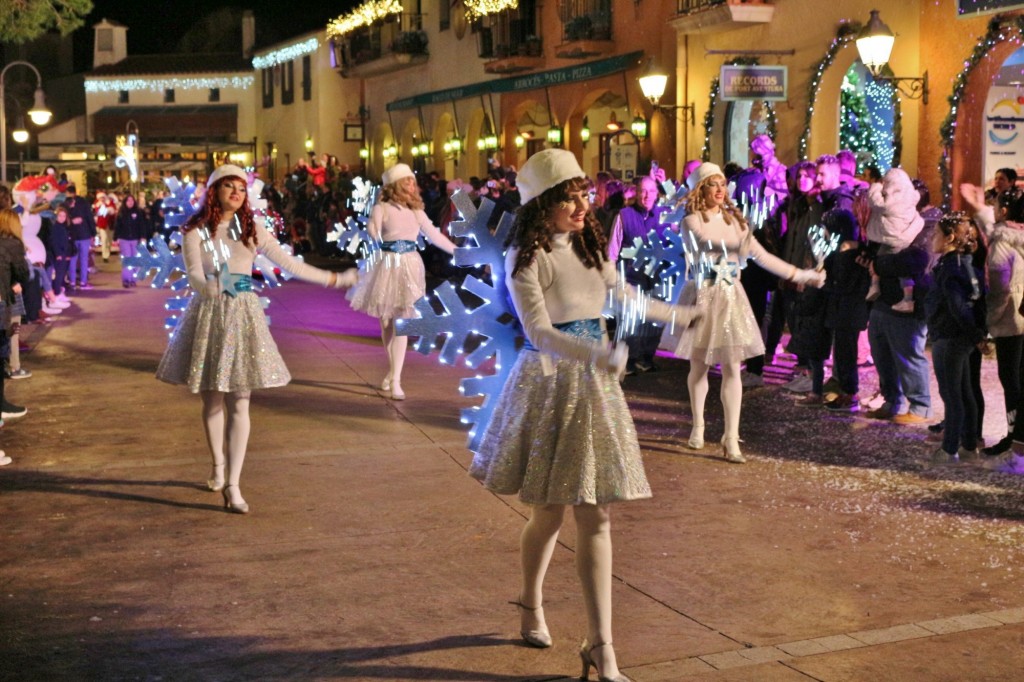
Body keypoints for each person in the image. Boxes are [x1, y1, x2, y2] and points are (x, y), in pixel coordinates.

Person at [469, 149, 698, 682]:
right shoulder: (528, 259)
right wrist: (598, 355)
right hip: (552, 386)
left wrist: (680, 312)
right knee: (548, 511)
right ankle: (529, 603)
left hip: (596, 388)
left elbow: (623, 298)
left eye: (581, 193)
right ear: (542, 204)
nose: (579, 203)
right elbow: (539, 332)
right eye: (567, 196)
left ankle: (602, 646)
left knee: (596, 512)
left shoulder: (594, 250)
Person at [155, 165, 357, 514]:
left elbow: (290, 263)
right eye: (229, 186)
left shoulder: (252, 229)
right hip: (211, 315)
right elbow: (193, 275)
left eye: (241, 188)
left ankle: (233, 484)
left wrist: (332, 279)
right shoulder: (196, 231)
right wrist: (212, 287)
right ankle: (217, 465)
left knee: (241, 399)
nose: (236, 192)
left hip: (244, 314)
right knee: (213, 398)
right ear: (215, 190)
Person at [677, 163, 825, 463]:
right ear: (700, 190)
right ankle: (698, 425)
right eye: (712, 184)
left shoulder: (737, 223)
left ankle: (731, 437)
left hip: (731, 297)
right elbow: (708, 243)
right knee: (700, 367)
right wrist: (742, 239)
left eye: (722, 184)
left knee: (733, 367)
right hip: (704, 296)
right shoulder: (691, 221)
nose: (720, 190)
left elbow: (765, 257)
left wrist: (803, 275)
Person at [349, 163, 456, 401]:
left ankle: (396, 379)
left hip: (409, 265)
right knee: (387, 322)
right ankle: (391, 371)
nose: (411, 184)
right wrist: (373, 230)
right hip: (386, 265)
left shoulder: (417, 211)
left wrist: (458, 252)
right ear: (396, 185)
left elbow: (435, 235)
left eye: (412, 181)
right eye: (406, 180)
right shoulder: (382, 208)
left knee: (402, 322)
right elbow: (373, 230)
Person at [923, 212, 987, 465]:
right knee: (964, 391)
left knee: (952, 395)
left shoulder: (951, 268)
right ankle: (969, 444)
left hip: (949, 336)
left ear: (950, 238)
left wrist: (975, 334)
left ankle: (950, 449)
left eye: (937, 233)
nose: (932, 238)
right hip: (959, 337)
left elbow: (958, 305)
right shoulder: (966, 262)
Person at [607, 174, 666, 374]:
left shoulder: (663, 215)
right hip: (631, 276)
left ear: (657, 193)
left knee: (655, 320)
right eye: (643, 191)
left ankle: (647, 357)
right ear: (636, 193)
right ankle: (629, 358)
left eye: (651, 191)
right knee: (630, 319)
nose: (647, 195)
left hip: (657, 276)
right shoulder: (624, 215)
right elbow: (613, 249)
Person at [64, 184, 96, 290]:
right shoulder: (84, 203)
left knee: (73, 260)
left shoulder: (65, 204)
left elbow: (63, 219)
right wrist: (93, 233)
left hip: (72, 236)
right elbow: (89, 218)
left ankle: (73, 282)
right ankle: (83, 282)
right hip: (84, 234)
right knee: (83, 259)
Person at [113, 195, 149, 288]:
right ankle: (126, 280)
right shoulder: (121, 213)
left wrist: (143, 236)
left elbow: (142, 225)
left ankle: (133, 279)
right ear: (125, 202)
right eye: (128, 200)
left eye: (132, 200)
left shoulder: (138, 212)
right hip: (124, 239)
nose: (130, 202)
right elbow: (117, 226)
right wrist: (115, 238)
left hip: (135, 239)